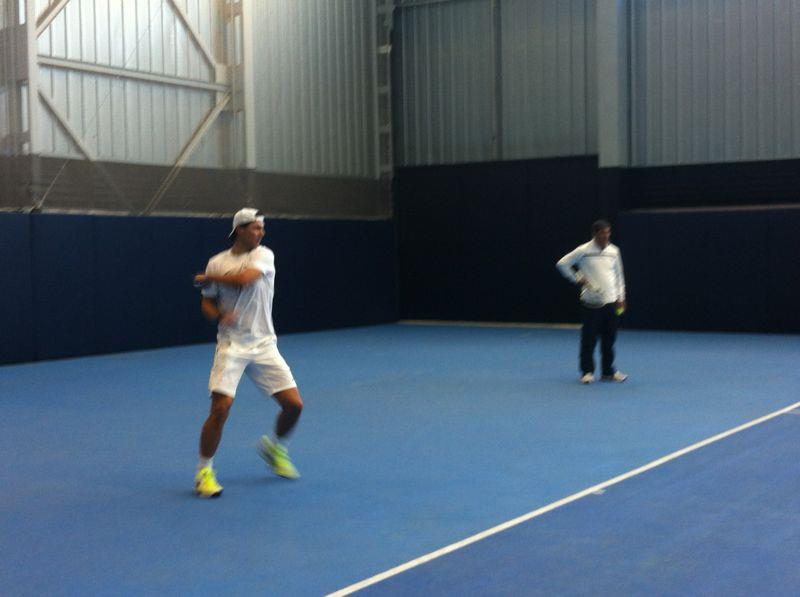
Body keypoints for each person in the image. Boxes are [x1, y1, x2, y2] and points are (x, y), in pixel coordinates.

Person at [192, 208, 304, 498]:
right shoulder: (218, 261)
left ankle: (275, 448)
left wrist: (208, 276)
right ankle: (204, 472)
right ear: (239, 229)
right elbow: (207, 302)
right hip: (232, 345)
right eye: (255, 228)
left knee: (294, 406)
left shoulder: (263, 255)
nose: (261, 233)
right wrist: (219, 316)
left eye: (262, 228)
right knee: (220, 408)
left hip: (264, 344)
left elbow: (245, 279)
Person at [556, 219, 627, 384]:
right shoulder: (583, 250)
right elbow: (562, 264)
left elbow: (619, 276)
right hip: (591, 304)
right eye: (602, 233)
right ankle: (587, 372)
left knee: (609, 340)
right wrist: (577, 278)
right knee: (589, 340)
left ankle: (608, 372)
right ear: (595, 234)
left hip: (611, 303)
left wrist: (621, 297)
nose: (606, 236)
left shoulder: (614, 251)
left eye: (608, 233)